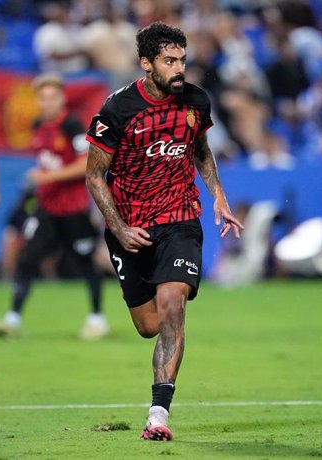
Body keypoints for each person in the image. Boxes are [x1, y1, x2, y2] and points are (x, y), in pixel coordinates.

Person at [84, 22, 243, 441]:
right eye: (169, 61)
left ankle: (158, 413)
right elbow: (95, 177)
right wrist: (118, 229)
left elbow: (200, 150)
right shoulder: (117, 110)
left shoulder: (196, 101)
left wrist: (219, 198)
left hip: (180, 218)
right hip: (131, 227)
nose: (179, 69)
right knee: (148, 325)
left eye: (182, 60)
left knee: (174, 303)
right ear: (146, 63)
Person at [0, 74, 107, 340]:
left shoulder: (73, 125)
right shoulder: (39, 126)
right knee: (28, 258)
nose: (48, 102)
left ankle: (97, 318)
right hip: (48, 209)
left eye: (53, 97)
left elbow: (84, 165)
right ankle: (12, 318)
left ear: (62, 99)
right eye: (43, 97)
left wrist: (45, 177)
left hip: (74, 209)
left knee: (85, 263)